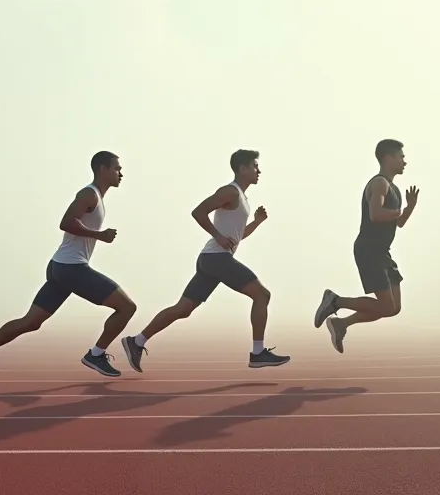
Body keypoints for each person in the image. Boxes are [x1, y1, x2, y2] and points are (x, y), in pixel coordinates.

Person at [0, 150, 137, 384]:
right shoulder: (89, 194)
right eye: (117, 168)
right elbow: (65, 223)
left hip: (61, 268)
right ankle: (95, 355)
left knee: (31, 321)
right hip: (71, 269)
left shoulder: (97, 197)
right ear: (102, 169)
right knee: (126, 307)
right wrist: (99, 235)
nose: (121, 173)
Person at [120, 149, 289, 372]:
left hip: (212, 260)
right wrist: (217, 235)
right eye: (255, 166)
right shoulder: (230, 191)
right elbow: (198, 212)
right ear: (242, 168)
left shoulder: (242, 198)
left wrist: (256, 222)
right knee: (262, 294)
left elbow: (236, 237)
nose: (259, 171)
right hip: (216, 259)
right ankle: (258, 353)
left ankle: (136, 341)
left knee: (183, 308)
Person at [312, 139, 419, 352]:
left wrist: (410, 207)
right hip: (369, 250)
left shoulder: (394, 188)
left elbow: (399, 223)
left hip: (382, 252)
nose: (405, 162)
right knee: (386, 306)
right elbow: (376, 214)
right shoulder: (379, 183)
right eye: (401, 157)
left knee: (393, 308)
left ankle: (340, 323)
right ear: (388, 158)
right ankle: (335, 301)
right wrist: (400, 211)